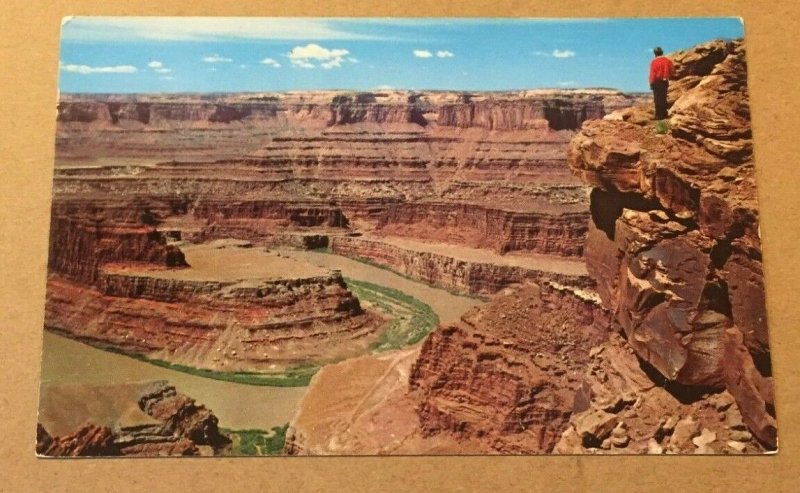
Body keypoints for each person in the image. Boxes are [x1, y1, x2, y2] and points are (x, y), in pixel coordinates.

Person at [649, 47, 675, 120]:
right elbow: (672, 70)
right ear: (662, 52)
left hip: (656, 81)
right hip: (664, 81)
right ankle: (664, 114)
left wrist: (651, 83)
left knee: (657, 99)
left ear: (655, 54)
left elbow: (652, 74)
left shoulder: (653, 62)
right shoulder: (667, 60)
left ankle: (658, 115)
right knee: (663, 97)